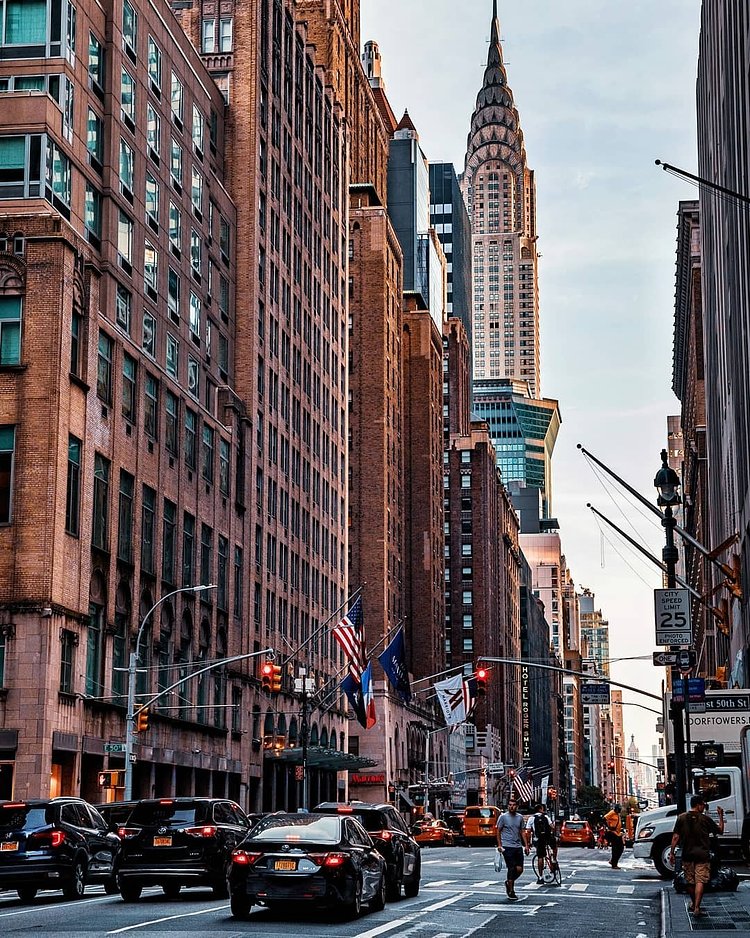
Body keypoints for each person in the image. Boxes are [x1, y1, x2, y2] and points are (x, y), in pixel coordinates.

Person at [669, 795, 725, 918]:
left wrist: (672, 852)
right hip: (702, 855)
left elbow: (675, 837)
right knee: (700, 880)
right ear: (699, 805)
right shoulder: (705, 819)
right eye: (703, 805)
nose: (704, 807)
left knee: (690, 881)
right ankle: (697, 908)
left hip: (687, 854)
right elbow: (720, 830)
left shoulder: (681, 818)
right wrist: (721, 815)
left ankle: (693, 904)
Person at [496, 799, 530, 900]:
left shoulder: (519, 818)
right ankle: (511, 890)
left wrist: (526, 845)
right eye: (510, 805)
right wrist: (499, 845)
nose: (512, 807)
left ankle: (509, 882)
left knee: (519, 869)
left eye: (514, 805)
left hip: (518, 846)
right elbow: (498, 831)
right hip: (507, 846)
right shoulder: (503, 817)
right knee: (511, 867)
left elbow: (522, 831)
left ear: (517, 806)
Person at [525, 803, 557, 884]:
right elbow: (552, 827)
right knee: (554, 846)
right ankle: (553, 859)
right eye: (542, 809)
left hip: (539, 839)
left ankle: (540, 877)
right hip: (548, 837)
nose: (543, 811)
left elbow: (528, 832)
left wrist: (528, 843)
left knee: (540, 857)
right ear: (540, 809)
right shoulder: (546, 817)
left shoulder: (531, 819)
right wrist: (552, 833)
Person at [603, 803, 624, 869]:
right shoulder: (612, 812)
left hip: (617, 833)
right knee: (615, 848)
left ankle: (613, 861)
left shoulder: (618, 814)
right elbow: (604, 818)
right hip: (612, 832)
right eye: (618, 809)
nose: (619, 811)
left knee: (621, 848)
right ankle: (614, 864)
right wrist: (608, 827)